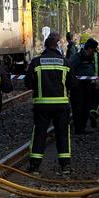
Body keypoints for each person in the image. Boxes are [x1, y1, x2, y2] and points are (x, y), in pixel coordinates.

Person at [25, 33, 75, 175]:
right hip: (61, 105)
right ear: (57, 46)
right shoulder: (65, 62)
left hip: (42, 105)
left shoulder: (36, 62)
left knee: (39, 134)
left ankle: (34, 166)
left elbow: (28, 83)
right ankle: (65, 166)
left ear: (45, 46)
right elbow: (73, 83)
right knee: (63, 134)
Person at [70, 38, 99, 133]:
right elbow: (70, 68)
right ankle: (79, 128)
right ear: (89, 48)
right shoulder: (77, 57)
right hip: (78, 87)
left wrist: (96, 79)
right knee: (78, 107)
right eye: (93, 50)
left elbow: (96, 70)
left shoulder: (91, 58)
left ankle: (83, 127)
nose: (94, 53)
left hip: (89, 86)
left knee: (86, 107)